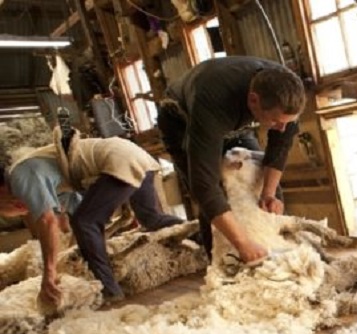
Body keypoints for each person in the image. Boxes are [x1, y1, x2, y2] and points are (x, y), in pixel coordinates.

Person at [0, 127, 184, 304]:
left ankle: (110, 290)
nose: (22, 211)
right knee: (150, 218)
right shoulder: (46, 178)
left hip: (118, 159)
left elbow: (49, 222)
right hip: (133, 154)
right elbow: (74, 215)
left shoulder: (19, 176)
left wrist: (49, 273)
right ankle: (201, 232)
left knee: (85, 222)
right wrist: (75, 251)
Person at [156, 56, 306, 264]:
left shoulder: (285, 93)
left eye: (287, 123)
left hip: (235, 121)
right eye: (276, 122)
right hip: (182, 120)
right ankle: (220, 266)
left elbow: (279, 147)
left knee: (260, 182)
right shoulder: (215, 100)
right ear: (254, 100)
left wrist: (269, 193)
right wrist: (242, 243)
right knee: (214, 192)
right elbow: (204, 186)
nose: (282, 128)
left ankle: (272, 252)